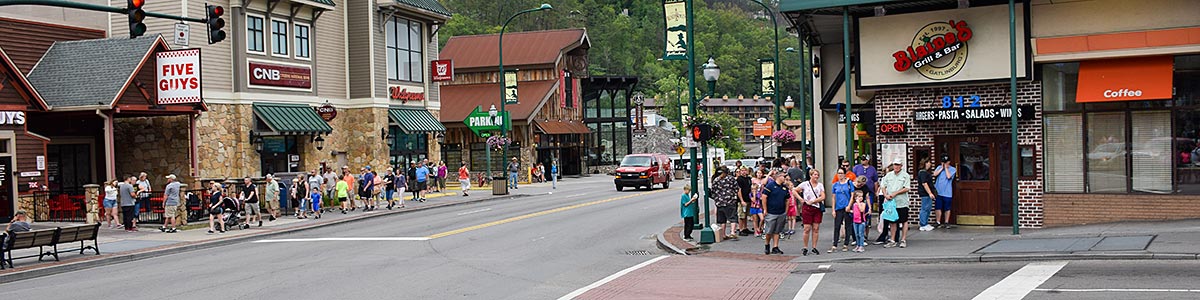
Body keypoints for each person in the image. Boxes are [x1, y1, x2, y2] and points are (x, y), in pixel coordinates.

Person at [881, 159, 911, 248]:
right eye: (895, 165)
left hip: (902, 202)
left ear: (901, 166)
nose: (896, 167)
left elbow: (907, 188)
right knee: (892, 221)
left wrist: (895, 193)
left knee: (904, 220)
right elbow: (883, 185)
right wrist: (885, 194)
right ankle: (893, 240)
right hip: (891, 202)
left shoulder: (905, 176)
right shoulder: (889, 175)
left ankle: (903, 239)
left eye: (898, 165)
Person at [798, 169, 826, 256]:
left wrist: (814, 201)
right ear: (811, 175)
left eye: (817, 175)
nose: (816, 176)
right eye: (815, 174)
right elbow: (794, 190)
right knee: (807, 228)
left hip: (816, 207)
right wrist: (801, 199)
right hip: (807, 208)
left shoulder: (820, 185)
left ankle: (814, 247)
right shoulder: (805, 184)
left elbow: (823, 196)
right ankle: (805, 247)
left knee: (816, 228)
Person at [762, 171, 790, 255]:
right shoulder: (770, 186)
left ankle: (775, 246)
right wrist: (765, 209)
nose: (785, 178)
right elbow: (764, 197)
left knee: (777, 231)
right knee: (769, 231)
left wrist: (786, 211)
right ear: (779, 177)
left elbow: (787, 199)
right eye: (783, 177)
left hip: (781, 212)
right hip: (771, 212)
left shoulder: (784, 187)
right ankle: (767, 245)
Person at [830, 168, 855, 253]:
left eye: (841, 173)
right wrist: (833, 209)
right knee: (837, 226)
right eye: (838, 173)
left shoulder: (849, 183)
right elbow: (833, 198)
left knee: (847, 226)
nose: (840, 175)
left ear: (845, 174)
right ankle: (835, 244)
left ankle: (846, 244)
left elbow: (852, 195)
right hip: (838, 207)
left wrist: (849, 205)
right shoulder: (835, 185)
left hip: (846, 207)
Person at [712, 167, 739, 241]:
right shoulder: (731, 178)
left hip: (720, 202)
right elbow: (736, 188)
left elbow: (713, 191)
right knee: (732, 217)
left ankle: (723, 234)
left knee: (722, 219)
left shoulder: (716, 180)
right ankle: (732, 232)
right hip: (730, 201)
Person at [933, 156, 957, 229]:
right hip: (938, 191)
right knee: (938, 207)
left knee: (947, 208)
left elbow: (949, 176)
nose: (944, 163)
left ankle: (946, 222)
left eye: (946, 162)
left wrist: (946, 168)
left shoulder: (953, 169)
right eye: (943, 162)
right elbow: (935, 174)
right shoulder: (939, 167)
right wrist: (941, 168)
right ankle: (938, 221)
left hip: (947, 192)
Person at [917, 158, 937, 231]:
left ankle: (925, 222)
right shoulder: (923, 173)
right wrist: (930, 193)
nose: (930, 164)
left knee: (928, 208)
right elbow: (924, 183)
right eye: (929, 162)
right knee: (925, 208)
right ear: (925, 163)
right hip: (925, 193)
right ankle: (923, 224)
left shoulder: (925, 172)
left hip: (927, 193)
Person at [736, 167, 753, 236]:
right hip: (742, 200)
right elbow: (739, 190)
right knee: (741, 215)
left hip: (748, 199)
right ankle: (740, 229)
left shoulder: (749, 179)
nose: (743, 172)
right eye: (742, 170)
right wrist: (742, 200)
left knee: (746, 214)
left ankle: (745, 227)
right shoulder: (739, 179)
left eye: (745, 170)